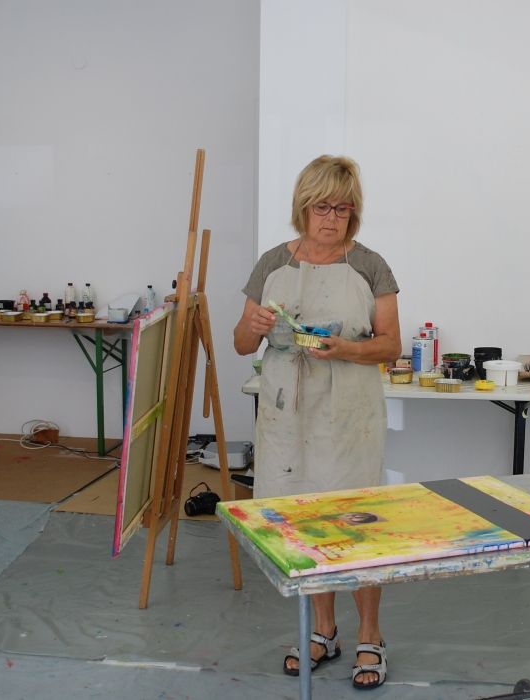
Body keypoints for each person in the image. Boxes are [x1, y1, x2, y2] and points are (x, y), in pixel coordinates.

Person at [234, 155, 401, 690]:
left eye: (342, 209)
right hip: (287, 415)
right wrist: (254, 323)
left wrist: (346, 348)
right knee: (304, 524)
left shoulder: (369, 265)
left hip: (349, 416)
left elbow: (391, 346)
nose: (331, 219)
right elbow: (241, 344)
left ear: (354, 213)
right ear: (302, 208)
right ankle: (323, 631)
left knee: (356, 525)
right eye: (321, 208)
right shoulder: (272, 264)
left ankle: (371, 635)